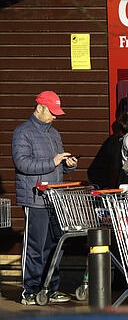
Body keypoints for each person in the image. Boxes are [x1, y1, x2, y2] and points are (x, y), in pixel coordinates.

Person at [12, 91, 78, 305]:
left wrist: (68, 165)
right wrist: (53, 162)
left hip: (54, 199)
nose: (54, 116)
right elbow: (22, 164)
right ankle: (30, 290)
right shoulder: (23, 132)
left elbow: (55, 164)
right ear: (39, 107)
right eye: (52, 112)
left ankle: (50, 287)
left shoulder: (54, 134)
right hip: (35, 198)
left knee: (55, 246)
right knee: (35, 247)